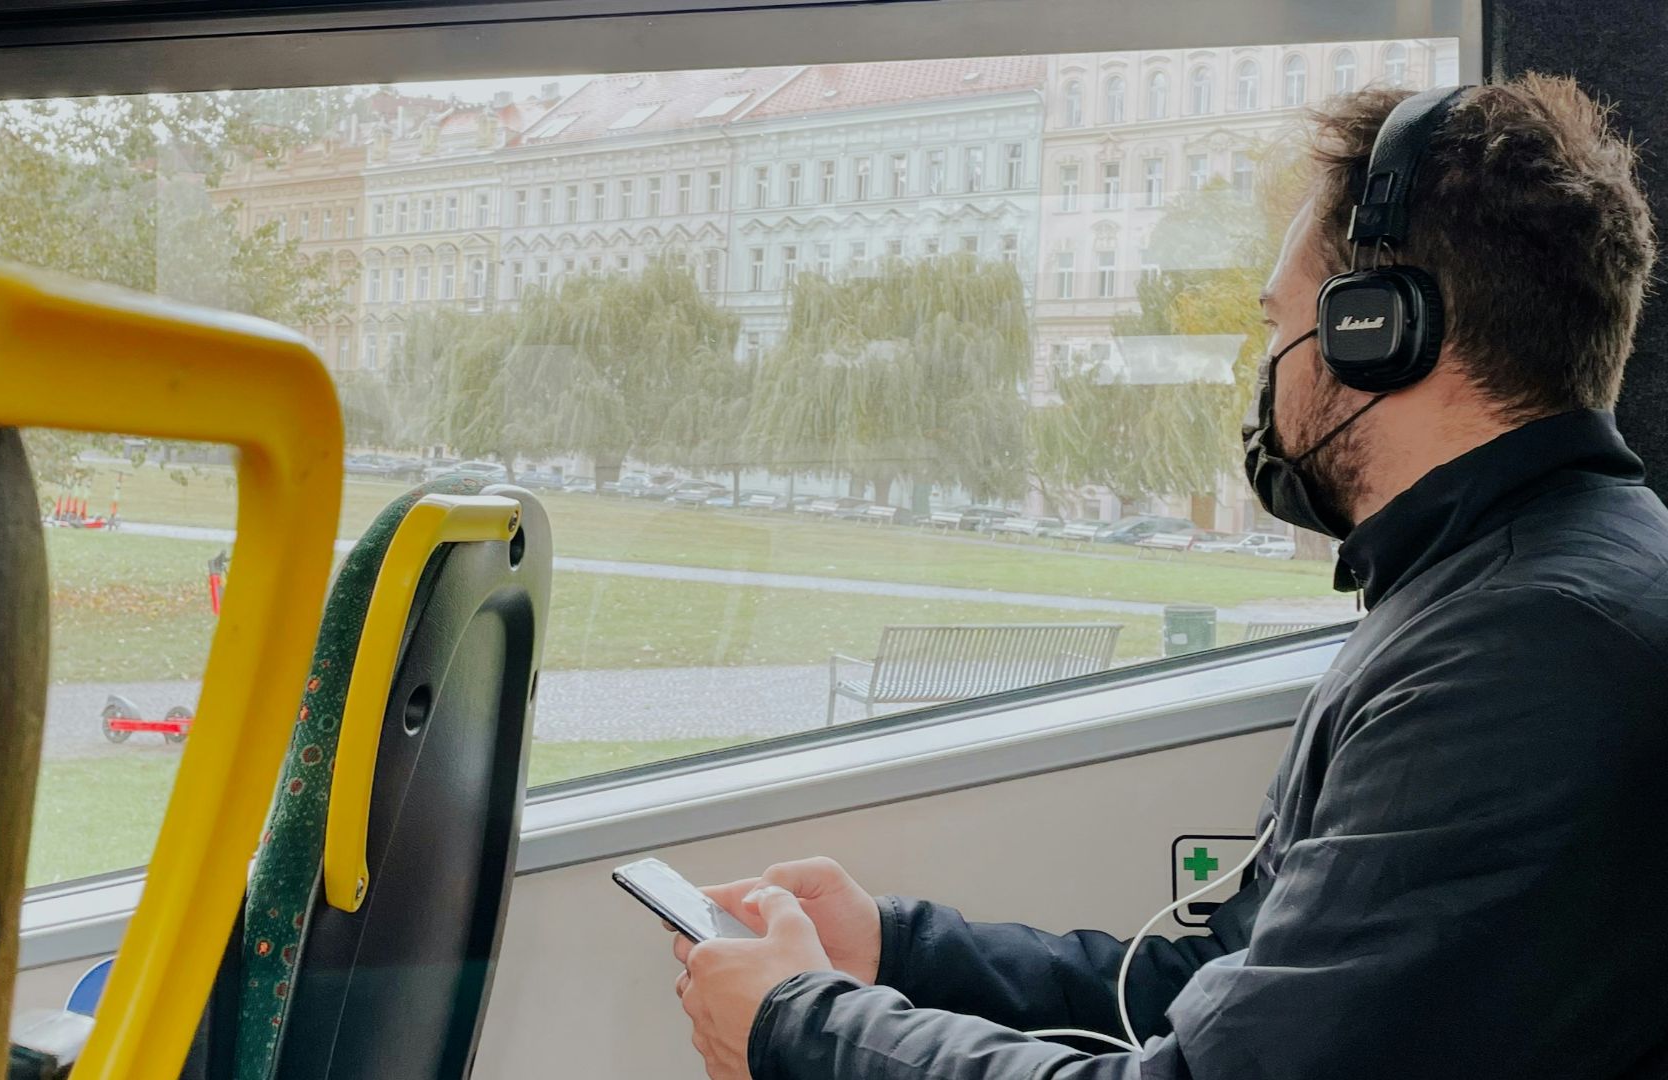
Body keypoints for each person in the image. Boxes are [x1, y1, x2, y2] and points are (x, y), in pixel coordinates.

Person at [671, 74, 1668, 1079]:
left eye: (1282, 326)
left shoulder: (1516, 663)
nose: (1269, 368)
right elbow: (1222, 982)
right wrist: (897, 952)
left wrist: (800, 1030)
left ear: (1379, 331)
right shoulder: (1503, 591)